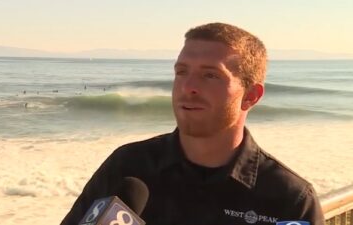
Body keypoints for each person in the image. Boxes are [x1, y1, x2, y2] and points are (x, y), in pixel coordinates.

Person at [61, 22, 325, 225]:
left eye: (210, 75)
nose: (188, 87)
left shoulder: (288, 199)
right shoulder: (127, 167)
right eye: (181, 72)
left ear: (251, 95)